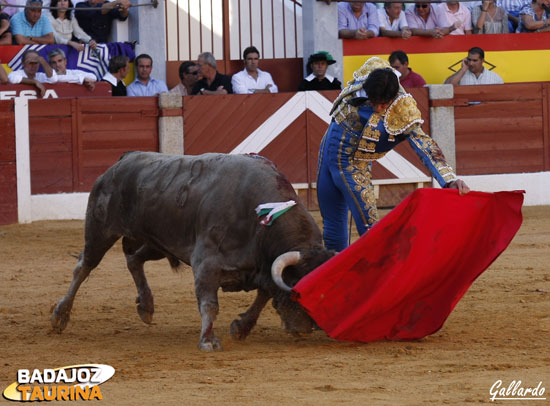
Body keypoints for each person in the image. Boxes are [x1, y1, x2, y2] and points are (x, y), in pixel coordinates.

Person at [317, 57, 469, 251]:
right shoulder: (370, 71)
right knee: (332, 225)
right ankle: (334, 274)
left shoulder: (404, 109)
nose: (378, 108)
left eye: (383, 104)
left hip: (354, 165)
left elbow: (424, 144)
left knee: (371, 230)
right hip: (328, 149)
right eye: (374, 102)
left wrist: (448, 179)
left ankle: (380, 278)